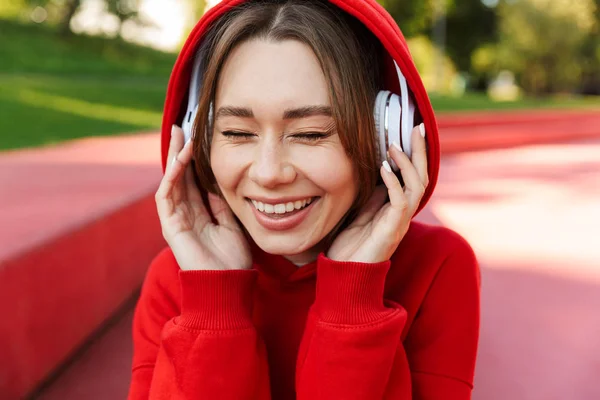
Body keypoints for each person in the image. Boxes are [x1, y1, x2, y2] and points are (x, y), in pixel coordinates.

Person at [127, 0, 480, 399]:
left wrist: (352, 301)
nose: (269, 173)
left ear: (387, 137)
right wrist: (214, 306)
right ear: (197, 138)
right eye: (237, 133)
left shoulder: (436, 267)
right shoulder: (175, 278)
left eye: (311, 134)